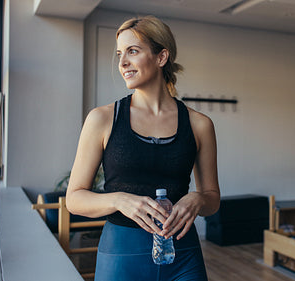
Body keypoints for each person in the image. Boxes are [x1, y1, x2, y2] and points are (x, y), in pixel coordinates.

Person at [66, 15, 220, 281]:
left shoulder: (200, 124)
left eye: (133, 51)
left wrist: (198, 198)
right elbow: (74, 198)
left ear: (161, 57)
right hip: (121, 258)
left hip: (184, 257)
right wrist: (118, 199)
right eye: (119, 54)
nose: (122, 63)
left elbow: (212, 199)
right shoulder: (101, 119)